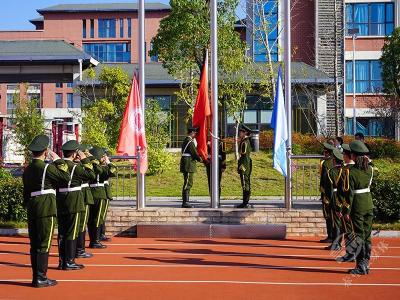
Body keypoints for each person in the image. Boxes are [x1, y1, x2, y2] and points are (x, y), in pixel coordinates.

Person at [23, 135, 70, 288]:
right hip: (46, 208)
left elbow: (26, 192)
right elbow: (65, 177)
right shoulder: (47, 168)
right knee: (44, 243)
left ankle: (36, 277)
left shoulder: (28, 170)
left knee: (34, 244)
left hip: (33, 208)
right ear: (45, 151)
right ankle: (41, 278)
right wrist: (58, 160)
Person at [57, 140, 96, 270]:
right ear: (74, 154)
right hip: (74, 201)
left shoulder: (56, 165)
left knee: (62, 233)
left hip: (60, 200)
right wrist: (85, 160)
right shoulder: (76, 167)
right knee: (72, 232)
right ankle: (69, 261)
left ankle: (62, 260)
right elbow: (91, 174)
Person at [343, 140, 374, 275]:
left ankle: (361, 265)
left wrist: (346, 211)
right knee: (367, 235)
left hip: (357, 206)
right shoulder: (370, 169)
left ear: (354, 156)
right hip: (368, 204)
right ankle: (365, 264)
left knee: (359, 236)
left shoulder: (351, 172)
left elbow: (349, 194)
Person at [88, 146, 116, 248]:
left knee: (91, 218)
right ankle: (95, 240)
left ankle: (95, 239)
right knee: (98, 218)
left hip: (91, 192)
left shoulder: (88, 166)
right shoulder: (102, 168)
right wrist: (108, 161)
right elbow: (113, 169)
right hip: (100, 193)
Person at [336, 144, 356, 263]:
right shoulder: (362, 168)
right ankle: (352, 253)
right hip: (358, 205)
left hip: (347, 205)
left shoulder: (346, 170)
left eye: (344, 154)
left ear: (348, 156)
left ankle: (351, 253)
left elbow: (343, 191)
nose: (342, 156)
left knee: (348, 230)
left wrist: (341, 208)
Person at [74, 144, 94, 259]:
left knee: (78, 225)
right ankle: (79, 250)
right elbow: (92, 174)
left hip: (78, 195)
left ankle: (77, 250)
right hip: (81, 195)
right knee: (80, 225)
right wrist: (87, 159)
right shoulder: (79, 167)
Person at [326, 148, 344, 251]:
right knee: (341, 222)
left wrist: (328, 199)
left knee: (336, 222)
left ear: (334, 161)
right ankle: (339, 242)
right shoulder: (345, 170)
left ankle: (336, 243)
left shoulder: (331, 172)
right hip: (343, 197)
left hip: (335, 196)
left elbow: (329, 188)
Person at [180, 127, 202, 208]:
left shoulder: (187, 140)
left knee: (188, 182)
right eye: (195, 133)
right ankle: (185, 202)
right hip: (188, 164)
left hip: (188, 163)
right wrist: (200, 159)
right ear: (192, 133)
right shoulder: (190, 141)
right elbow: (194, 153)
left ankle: (186, 201)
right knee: (188, 183)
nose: (195, 134)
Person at [319, 141, 335, 243]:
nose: (324, 154)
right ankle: (333, 236)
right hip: (336, 193)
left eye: (325, 152)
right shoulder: (336, 162)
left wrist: (324, 194)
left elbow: (325, 180)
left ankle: (331, 236)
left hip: (328, 194)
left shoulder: (326, 163)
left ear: (327, 153)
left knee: (328, 216)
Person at [236, 124, 253, 208]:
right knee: (246, 183)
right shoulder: (246, 141)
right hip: (246, 164)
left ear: (245, 133)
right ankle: (245, 202)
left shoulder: (244, 142)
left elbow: (242, 152)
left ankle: (245, 203)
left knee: (244, 184)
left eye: (241, 132)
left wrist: (238, 143)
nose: (240, 134)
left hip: (244, 165)